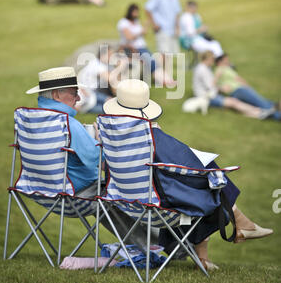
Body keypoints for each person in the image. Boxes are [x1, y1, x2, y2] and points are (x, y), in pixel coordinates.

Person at [103, 79, 273, 271]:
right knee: (209, 179)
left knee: (196, 184)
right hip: (156, 207)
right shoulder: (151, 136)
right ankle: (239, 222)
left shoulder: (110, 136)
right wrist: (213, 172)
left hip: (124, 202)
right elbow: (185, 161)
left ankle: (208, 252)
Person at [26, 66, 155, 250]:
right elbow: (101, 162)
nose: (79, 98)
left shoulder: (30, 120)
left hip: (39, 192)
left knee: (108, 198)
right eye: (74, 93)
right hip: (74, 197)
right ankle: (158, 247)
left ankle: (156, 246)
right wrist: (100, 140)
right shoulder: (67, 123)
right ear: (56, 95)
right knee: (123, 194)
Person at [192, 51, 275, 120]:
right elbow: (210, 86)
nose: (214, 61)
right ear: (208, 59)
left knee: (234, 102)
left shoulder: (204, 68)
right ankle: (259, 113)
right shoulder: (202, 70)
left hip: (211, 94)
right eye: (212, 59)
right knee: (234, 102)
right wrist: (221, 88)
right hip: (207, 96)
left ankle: (258, 112)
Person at [117, 3, 176, 86]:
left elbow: (141, 34)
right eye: (135, 12)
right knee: (151, 62)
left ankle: (166, 79)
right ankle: (165, 81)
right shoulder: (123, 22)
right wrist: (141, 32)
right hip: (132, 49)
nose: (136, 14)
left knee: (154, 62)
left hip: (142, 47)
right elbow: (129, 37)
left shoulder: (136, 22)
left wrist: (145, 26)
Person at [215, 54, 281, 121]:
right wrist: (221, 88)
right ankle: (278, 116)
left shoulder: (227, 68)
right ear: (220, 62)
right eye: (225, 60)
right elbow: (214, 82)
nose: (228, 61)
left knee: (263, 102)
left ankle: (277, 109)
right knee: (261, 103)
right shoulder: (220, 69)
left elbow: (238, 79)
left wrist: (248, 87)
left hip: (241, 89)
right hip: (238, 90)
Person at [76, 44, 129, 114]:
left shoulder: (100, 64)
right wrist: (120, 67)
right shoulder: (97, 65)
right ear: (103, 55)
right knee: (110, 107)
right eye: (110, 55)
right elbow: (111, 79)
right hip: (87, 94)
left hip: (92, 93)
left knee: (111, 103)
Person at [145, 0, 181, 71]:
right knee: (162, 53)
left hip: (172, 28)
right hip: (162, 28)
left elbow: (177, 12)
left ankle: (165, 74)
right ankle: (159, 73)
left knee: (169, 53)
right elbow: (148, 9)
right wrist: (154, 24)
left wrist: (177, 27)